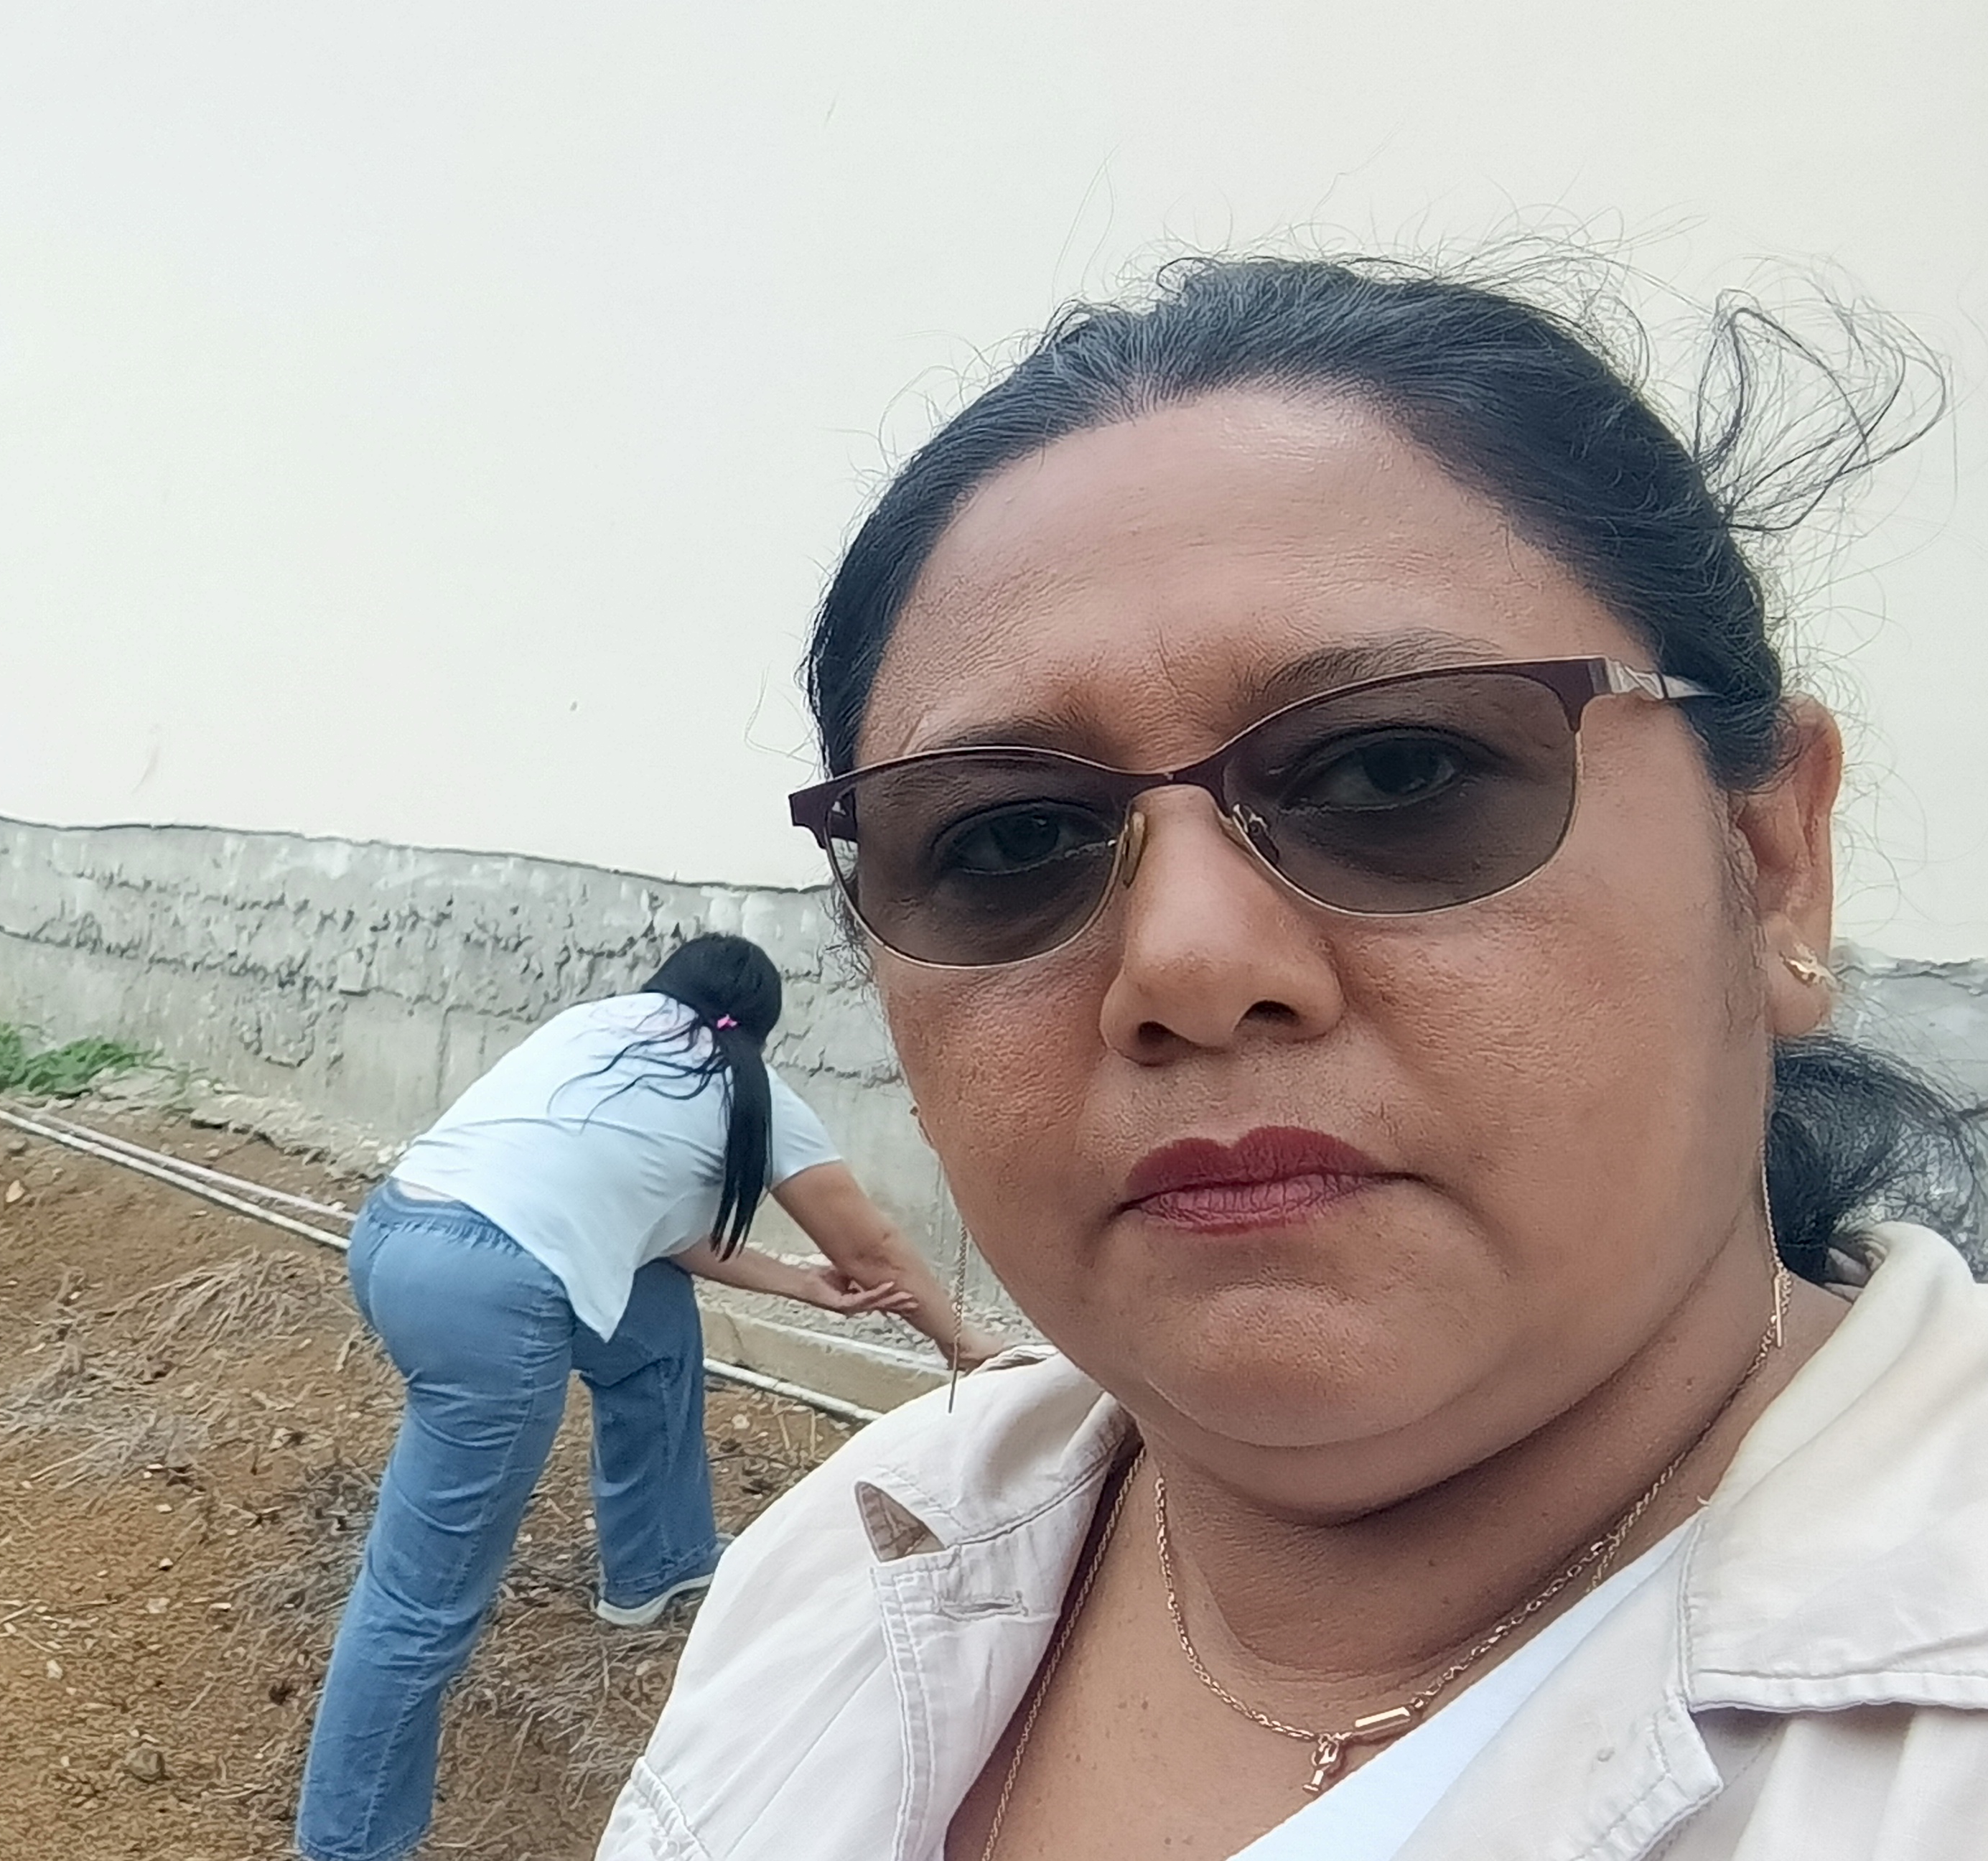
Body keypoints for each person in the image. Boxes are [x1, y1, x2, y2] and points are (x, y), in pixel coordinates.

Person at [611, 258, 1988, 1861]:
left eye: (1394, 770)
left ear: (1770, 863)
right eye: (1011, 838)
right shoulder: (854, 1566)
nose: (1188, 966)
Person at [297, 933, 987, 1861]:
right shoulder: (749, 1088)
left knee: (651, 1318)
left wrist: (798, 1284)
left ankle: (659, 1562)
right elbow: (873, 1250)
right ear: (761, 1032)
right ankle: (350, 1845)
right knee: (420, 1601)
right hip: (490, 1300)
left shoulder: (594, 1030)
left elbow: (653, 1235)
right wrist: (967, 1346)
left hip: (394, 1235)